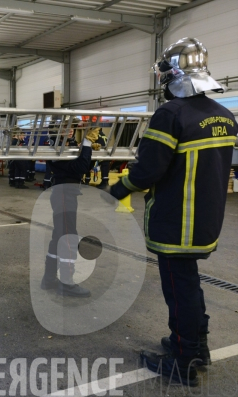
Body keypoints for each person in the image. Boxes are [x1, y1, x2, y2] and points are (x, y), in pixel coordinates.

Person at [109, 38, 236, 386]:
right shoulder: (224, 115)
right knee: (189, 284)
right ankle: (197, 345)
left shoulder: (170, 114)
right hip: (207, 219)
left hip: (177, 219)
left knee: (178, 290)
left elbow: (149, 169)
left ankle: (183, 360)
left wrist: (119, 189)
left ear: (172, 74)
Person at [40, 120, 100, 297]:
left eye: (72, 128)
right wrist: (87, 146)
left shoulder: (68, 147)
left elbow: (85, 167)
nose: (71, 131)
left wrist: (87, 151)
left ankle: (49, 278)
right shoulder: (55, 149)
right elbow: (78, 168)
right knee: (68, 236)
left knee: (59, 235)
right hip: (64, 193)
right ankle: (66, 283)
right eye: (66, 128)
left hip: (67, 192)